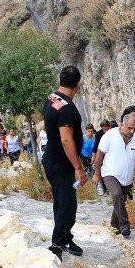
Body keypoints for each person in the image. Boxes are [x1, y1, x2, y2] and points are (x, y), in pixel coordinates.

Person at [42, 66, 87, 258]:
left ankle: (65, 238)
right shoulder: (67, 108)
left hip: (51, 159)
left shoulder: (52, 98)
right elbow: (66, 139)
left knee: (60, 201)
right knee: (68, 206)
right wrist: (78, 167)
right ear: (77, 85)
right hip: (61, 163)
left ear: (60, 80)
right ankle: (56, 248)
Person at [93, 112, 135, 239]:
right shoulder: (110, 135)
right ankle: (125, 225)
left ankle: (114, 226)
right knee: (117, 195)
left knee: (120, 199)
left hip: (127, 177)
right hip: (109, 173)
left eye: (134, 128)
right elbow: (99, 154)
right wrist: (96, 174)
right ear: (122, 124)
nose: (132, 131)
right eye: (129, 128)